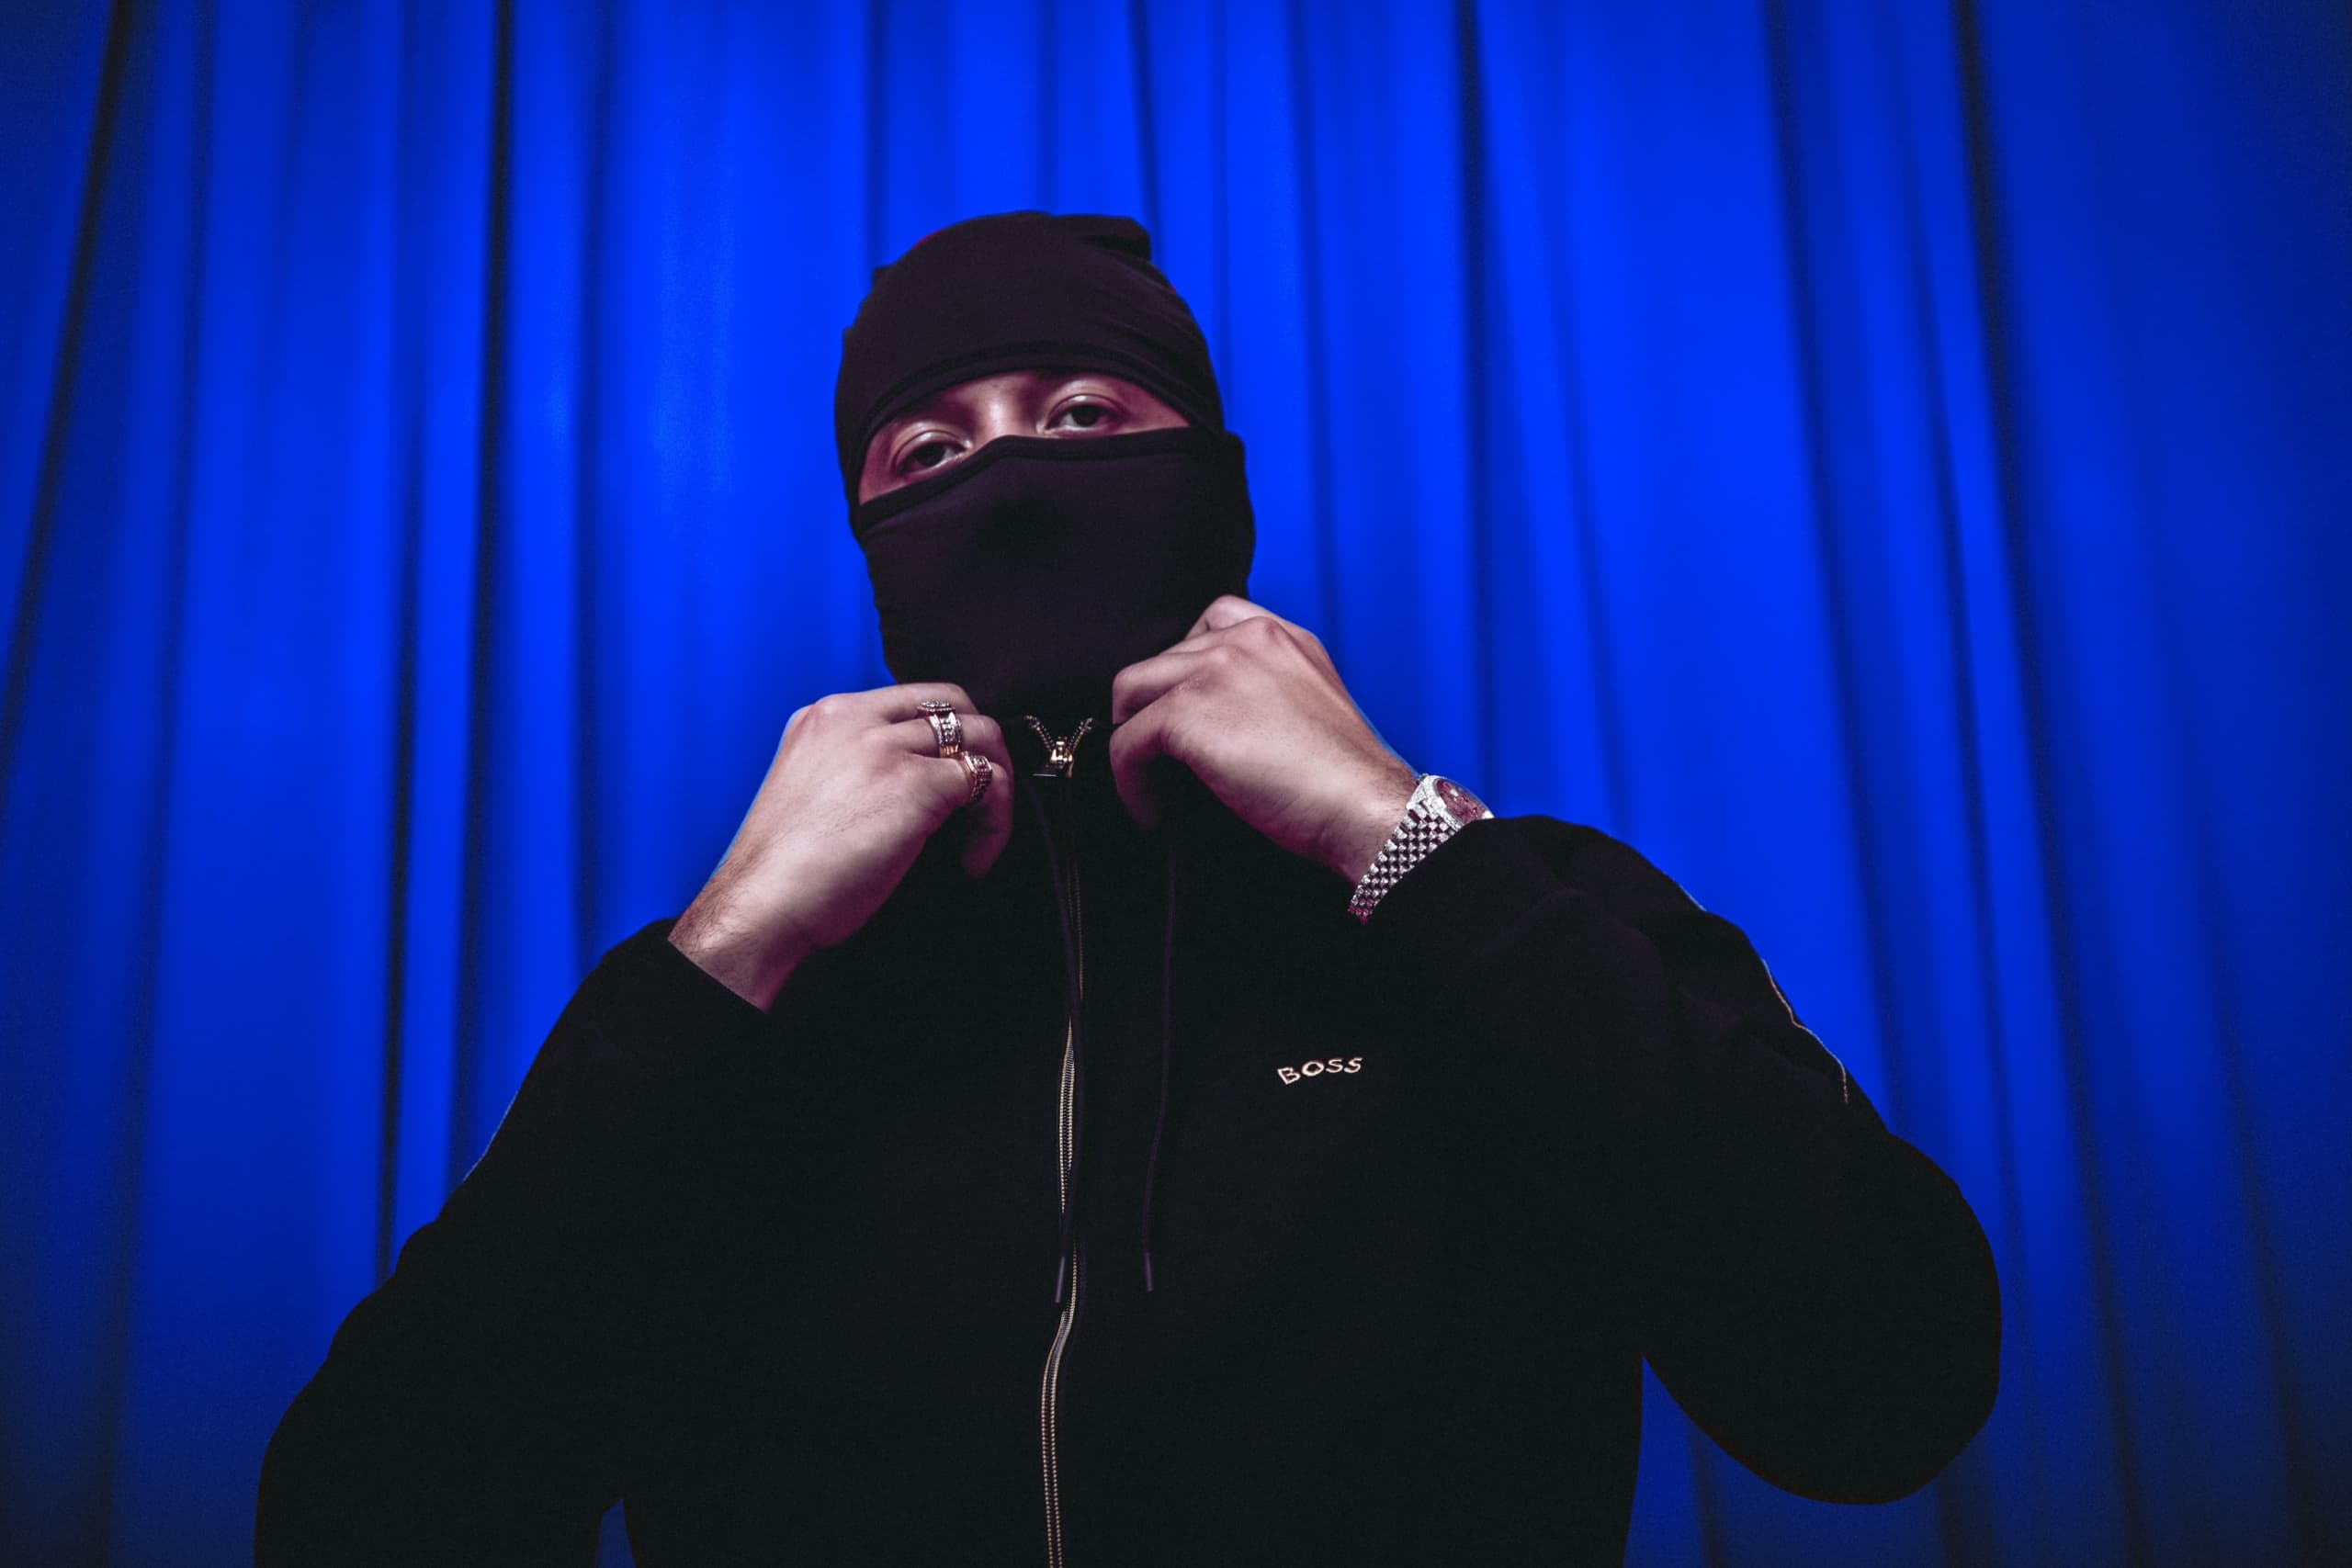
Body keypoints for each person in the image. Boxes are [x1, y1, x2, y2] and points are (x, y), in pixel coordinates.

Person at [254, 211, 1999, 1566]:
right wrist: (726, 953)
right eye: (926, 455)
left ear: (1210, 483)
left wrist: (1406, 845)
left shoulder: (1510, 913)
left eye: (1083, 415)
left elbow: (1882, 1388)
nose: (1007, 479)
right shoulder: (757, 1004)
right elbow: (365, 1516)